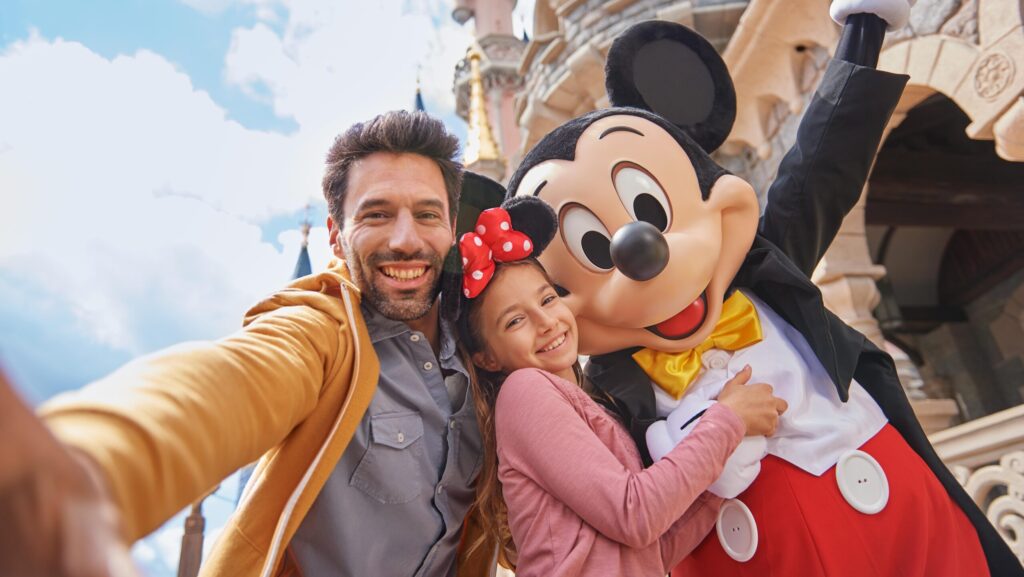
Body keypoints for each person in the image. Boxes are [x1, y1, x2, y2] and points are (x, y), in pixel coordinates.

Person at [0, 110, 496, 577]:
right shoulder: (322, 331)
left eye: (427, 214)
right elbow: (229, 383)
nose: (406, 239)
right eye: (377, 215)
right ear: (336, 236)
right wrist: (78, 477)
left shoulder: (483, 351)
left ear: (452, 227)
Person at [448, 207, 788, 577]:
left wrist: (718, 477)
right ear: (487, 358)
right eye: (515, 321)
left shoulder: (587, 401)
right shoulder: (523, 389)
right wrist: (727, 421)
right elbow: (635, 515)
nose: (547, 322)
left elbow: (653, 550)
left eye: (547, 300)